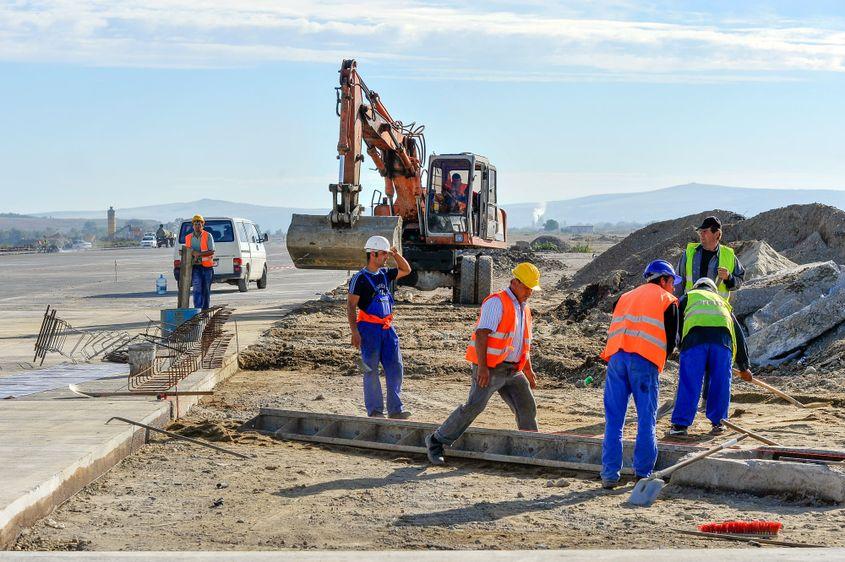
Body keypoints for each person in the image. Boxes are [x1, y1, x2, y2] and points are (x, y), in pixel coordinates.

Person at [426, 262, 541, 466]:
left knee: (526, 407)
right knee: (474, 406)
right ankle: (436, 441)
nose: (529, 292)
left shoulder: (524, 309)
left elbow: (523, 343)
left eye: (532, 289)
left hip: (513, 370)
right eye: (526, 287)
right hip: (491, 367)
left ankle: (530, 448)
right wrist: (483, 367)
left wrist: (528, 370)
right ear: (514, 282)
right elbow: (481, 334)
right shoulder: (496, 302)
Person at [599, 259, 680, 489]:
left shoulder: (626, 297)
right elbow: (672, 341)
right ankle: (643, 473)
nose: (674, 287)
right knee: (646, 419)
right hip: (643, 362)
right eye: (672, 281)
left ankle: (609, 475)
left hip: (616, 359)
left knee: (614, 421)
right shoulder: (667, 300)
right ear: (663, 279)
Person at [669, 277, 752, 436]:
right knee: (720, 382)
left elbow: (676, 325)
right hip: (722, 343)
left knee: (690, 381)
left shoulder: (688, 297)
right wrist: (744, 366)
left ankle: (680, 425)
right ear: (713, 289)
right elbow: (738, 334)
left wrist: (678, 346)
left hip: (694, 341)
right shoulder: (722, 301)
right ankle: (719, 423)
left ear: (696, 287)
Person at [347, 235, 412, 418]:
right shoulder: (359, 279)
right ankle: (375, 410)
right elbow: (351, 306)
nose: (386, 258)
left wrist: (395, 254)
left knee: (395, 367)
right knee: (371, 370)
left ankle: (395, 409)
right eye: (383, 254)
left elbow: (406, 269)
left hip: (387, 329)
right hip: (368, 329)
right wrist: (355, 332)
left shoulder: (385, 274)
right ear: (373, 254)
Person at [676, 216, 745, 301]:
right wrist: (678, 307)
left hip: (716, 309)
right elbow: (678, 283)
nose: (701, 234)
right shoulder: (689, 253)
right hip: (692, 307)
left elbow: (740, 280)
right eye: (700, 231)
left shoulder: (728, 255)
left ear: (717, 234)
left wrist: (729, 278)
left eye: (705, 231)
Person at [185, 214, 215, 310]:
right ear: (193, 225)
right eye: (195, 223)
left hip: (207, 268)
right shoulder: (188, 237)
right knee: (197, 289)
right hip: (195, 267)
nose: (197, 225)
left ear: (203, 225)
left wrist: (199, 254)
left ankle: (205, 311)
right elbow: (188, 251)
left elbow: (212, 251)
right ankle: (197, 310)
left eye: (199, 223)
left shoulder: (208, 235)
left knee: (206, 290)